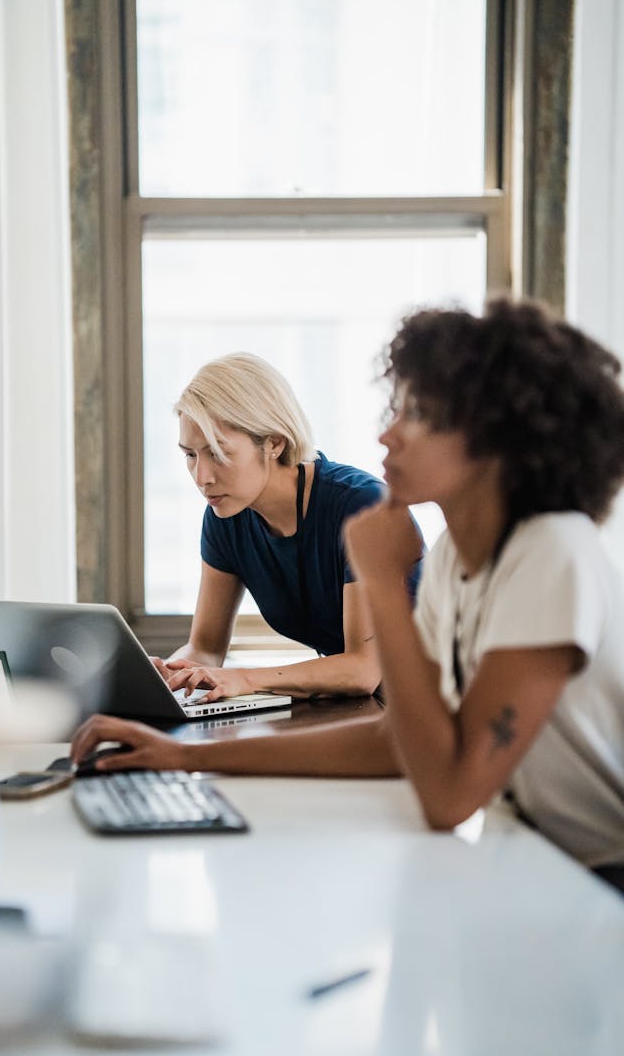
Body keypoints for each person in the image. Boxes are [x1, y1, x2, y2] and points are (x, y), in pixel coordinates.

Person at [71, 297, 624, 878]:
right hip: (536, 859)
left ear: (492, 443)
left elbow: (449, 796)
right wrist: (183, 755)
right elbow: (393, 740)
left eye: (418, 415)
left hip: (605, 872)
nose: (388, 436)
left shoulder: (552, 553)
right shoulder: (454, 564)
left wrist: (382, 580)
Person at [150, 352, 421, 702]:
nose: (202, 477)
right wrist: (166, 678)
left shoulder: (360, 504)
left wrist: (243, 679)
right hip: (366, 711)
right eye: (190, 455)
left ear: (274, 443)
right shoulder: (225, 514)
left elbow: (363, 669)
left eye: (218, 452)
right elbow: (205, 649)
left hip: (441, 703)